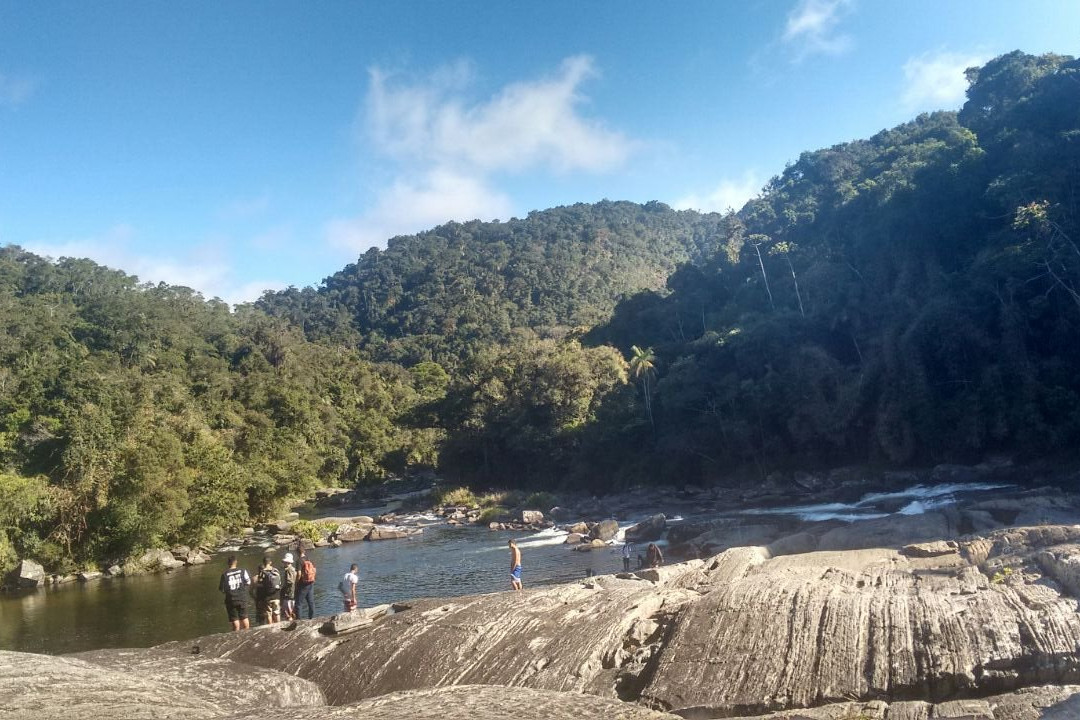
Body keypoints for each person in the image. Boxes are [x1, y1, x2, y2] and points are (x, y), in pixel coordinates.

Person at [218, 555, 251, 631]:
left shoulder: (225, 574)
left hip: (231, 599)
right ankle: (247, 633)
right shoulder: (243, 570)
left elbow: (222, 589)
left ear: (228, 563)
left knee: (234, 619)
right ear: (236, 562)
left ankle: (236, 635)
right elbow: (248, 582)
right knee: (244, 617)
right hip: (242, 598)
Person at [254, 556, 281, 624]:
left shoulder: (262, 572)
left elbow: (260, 585)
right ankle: (279, 626)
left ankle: (270, 628)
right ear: (270, 562)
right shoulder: (276, 570)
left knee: (269, 614)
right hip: (276, 595)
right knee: (277, 613)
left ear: (264, 563)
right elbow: (279, 582)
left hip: (267, 597)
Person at [295, 547, 316, 619]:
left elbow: (299, 574)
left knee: (298, 603)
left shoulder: (299, 561)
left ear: (297, 552)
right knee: (311, 602)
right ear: (304, 551)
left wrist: (296, 583)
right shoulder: (309, 559)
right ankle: (312, 619)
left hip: (303, 584)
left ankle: (299, 621)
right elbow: (314, 570)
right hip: (311, 583)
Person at [280, 552, 297, 620]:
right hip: (293, 592)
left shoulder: (289, 570)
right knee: (292, 609)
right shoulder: (293, 569)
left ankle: (290, 622)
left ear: (287, 562)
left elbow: (290, 581)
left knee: (288, 610)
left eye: (284, 562)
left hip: (289, 593)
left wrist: (283, 587)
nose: (283, 563)